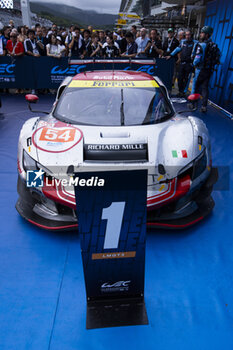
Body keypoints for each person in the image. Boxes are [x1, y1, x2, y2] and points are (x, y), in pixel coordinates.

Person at [190, 26, 220, 113]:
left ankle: (193, 104)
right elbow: (218, 56)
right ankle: (204, 106)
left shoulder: (201, 45)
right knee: (205, 88)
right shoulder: (214, 45)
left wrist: (194, 64)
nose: (200, 34)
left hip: (200, 69)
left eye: (202, 33)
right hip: (209, 70)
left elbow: (197, 59)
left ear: (206, 35)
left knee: (195, 87)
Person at [166, 30, 197, 97]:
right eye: (186, 35)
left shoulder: (195, 43)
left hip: (189, 64)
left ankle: (184, 92)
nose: (187, 36)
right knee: (179, 78)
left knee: (186, 79)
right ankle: (180, 91)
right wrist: (171, 55)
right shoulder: (183, 42)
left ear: (191, 35)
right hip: (182, 63)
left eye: (189, 35)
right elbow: (177, 49)